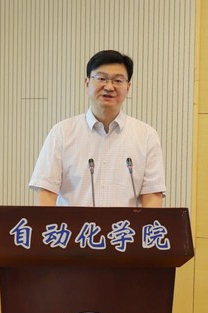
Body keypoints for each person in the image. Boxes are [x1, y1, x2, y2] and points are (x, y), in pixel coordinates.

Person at [28, 50, 166, 207]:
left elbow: (152, 196)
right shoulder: (62, 133)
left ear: (128, 87)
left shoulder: (146, 136)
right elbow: (46, 192)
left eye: (118, 80)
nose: (109, 87)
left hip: (124, 224)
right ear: (87, 83)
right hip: (74, 224)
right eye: (101, 78)